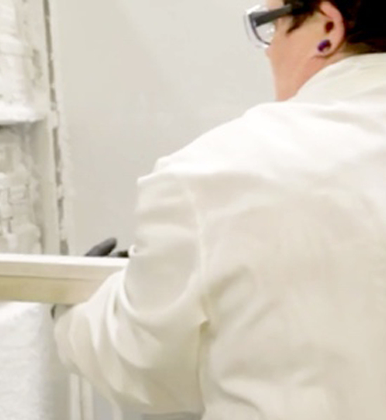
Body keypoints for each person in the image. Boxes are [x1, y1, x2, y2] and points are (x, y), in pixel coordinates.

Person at [54, 0, 386, 418]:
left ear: (328, 27)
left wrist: (76, 307)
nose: (269, 50)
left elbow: (146, 372)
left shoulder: (213, 172)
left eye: (273, 25)